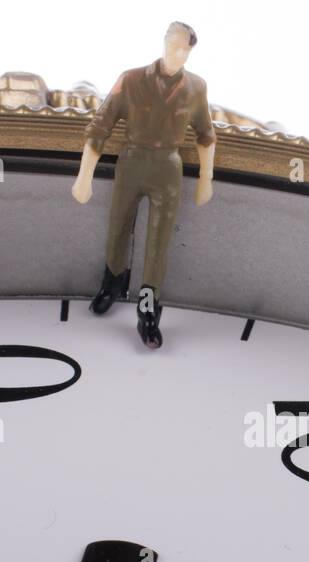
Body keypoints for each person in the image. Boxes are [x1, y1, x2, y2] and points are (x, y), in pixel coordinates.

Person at [71, 20, 217, 349]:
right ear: (164, 42)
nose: (179, 54)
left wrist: (206, 178)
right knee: (118, 226)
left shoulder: (196, 88)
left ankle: (148, 309)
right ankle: (112, 282)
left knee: (159, 241)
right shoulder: (132, 79)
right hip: (132, 161)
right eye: (175, 45)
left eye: (186, 49)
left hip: (168, 166)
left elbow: (206, 135)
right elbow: (100, 127)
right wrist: (85, 176)